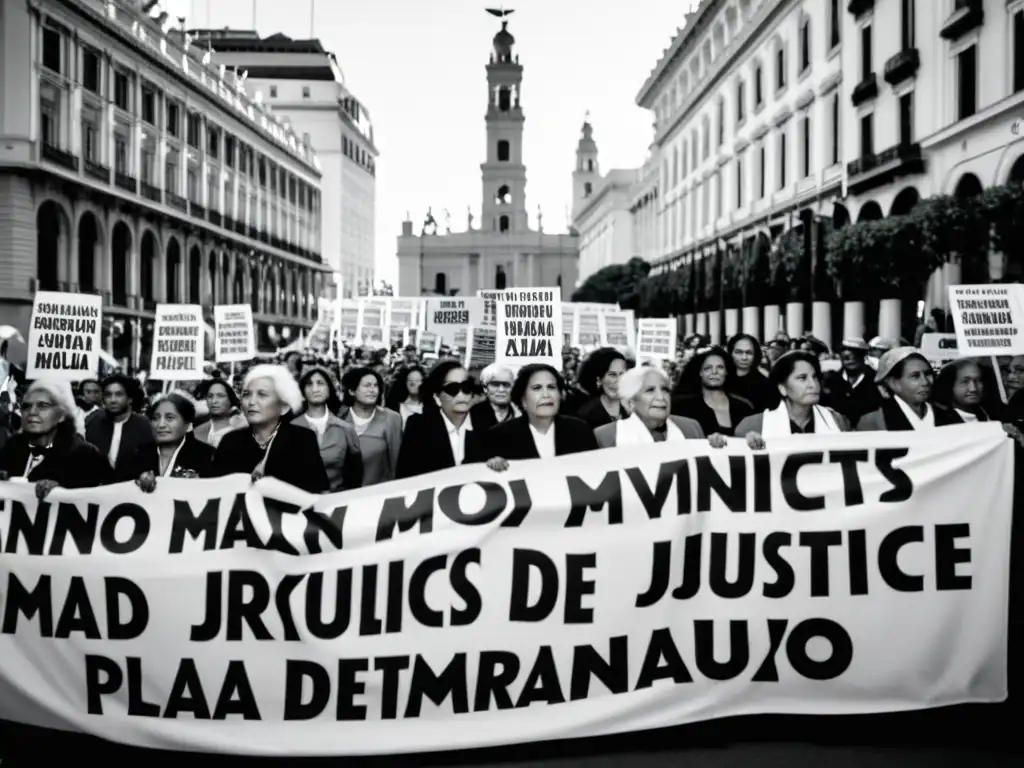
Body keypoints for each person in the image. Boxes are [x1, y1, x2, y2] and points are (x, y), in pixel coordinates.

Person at [213, 364, 329, 493]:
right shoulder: (230, 441)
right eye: (246, 394)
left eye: (262, 395)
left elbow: (317, 493)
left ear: (283, 407)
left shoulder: (303, 440)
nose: (252, 402)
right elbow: (215, 493)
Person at [0, 379, 111, 498]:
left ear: (61, 415)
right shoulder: (13, 446)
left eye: (42, 406)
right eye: (27, 406)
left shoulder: (85, 455)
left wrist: (62, 490)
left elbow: (107, 496)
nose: (32, 412)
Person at [478, 363, 598, 471]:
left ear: (561, 395)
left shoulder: (580, 430)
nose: (546, 395)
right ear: (523, 399)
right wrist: (490, 467)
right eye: (537, 388)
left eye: (551, 387)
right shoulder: (498, 436)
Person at [736, 351, 851, 448]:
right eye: (802, 378)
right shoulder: (754, 426)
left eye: (815, 377)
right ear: (782, 388)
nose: (813, 384)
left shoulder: (837, 421)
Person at [397, 360, 483, 478]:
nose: (461, 395)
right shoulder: (419, 427)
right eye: (453, 389)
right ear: (437, 397)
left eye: (466, 387)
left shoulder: (484, 425)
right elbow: (406, 476)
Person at [594, 366, 713, 447]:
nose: (661, 397)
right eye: (650, 390)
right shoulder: (605, 436)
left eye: (665, 389)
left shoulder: (691, 428)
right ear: (630, 401)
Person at [292, 367, 363, 492]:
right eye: (309, 384)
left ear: (329, 389)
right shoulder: (291, 428)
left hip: (337, 500)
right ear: (302, 392)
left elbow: (355, 475)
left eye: (320, 383)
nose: (315, 389)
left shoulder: (345, 429)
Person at [857, 347, 960, 431]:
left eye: (928, 374)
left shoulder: (949, 416)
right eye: (915, 376)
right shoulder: (874, 421)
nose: (925, 382)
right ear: (894, 383)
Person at [134, 392, 216, 492]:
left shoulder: (208, 457)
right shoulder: (137, 455)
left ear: (188, 425)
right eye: (155, 418)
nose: (161, 424)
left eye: (170, 418)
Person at [85, 373, 156, 482]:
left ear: (130, 399)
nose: (113, 400)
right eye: (108, 395)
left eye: (119, 394)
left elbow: (150, 464)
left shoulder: (144, 426)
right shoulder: (92, 420)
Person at [671, 346, 754, 438]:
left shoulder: (744, 407)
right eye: (708, 368)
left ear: (726, 372)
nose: (714, 372)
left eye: (720, 367)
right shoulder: (683, 408)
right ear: (700, 373)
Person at [340, 366, 402, 486]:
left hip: (378, 492)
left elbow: (397, 462)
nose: (373, 390)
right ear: (352, 391)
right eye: (367, 385)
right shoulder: (339, 419)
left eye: (376, 385)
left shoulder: (391, 418)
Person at [822, 337, 880, 424]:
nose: (850, 360)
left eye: (855, 355)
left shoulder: (876, 380)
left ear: (863, 356)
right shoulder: (831, 380)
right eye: (845, 357)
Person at [573, 347, 630, 428]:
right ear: (599, 380)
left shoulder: (632, 410)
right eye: (612, 374)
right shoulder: (586, 415)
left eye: (622, 374)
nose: (618, 380)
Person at [726, 333, 778, 413]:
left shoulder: (765, 385)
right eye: (739, 352)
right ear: (731, 353)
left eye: (749, 353)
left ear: (755, 355)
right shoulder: (722, 379)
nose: (744, 357)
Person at [193, 378, 247, 448]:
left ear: (230, 399)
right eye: (210, 396)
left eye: (220, 396)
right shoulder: (199, 431)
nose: (214, 401)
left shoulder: (243, 427)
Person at [470, 362, 518, 430]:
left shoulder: (520, 414)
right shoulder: (472, 415)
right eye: (495, 384)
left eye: (506, 385)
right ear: (485, 388)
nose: (501, 390)